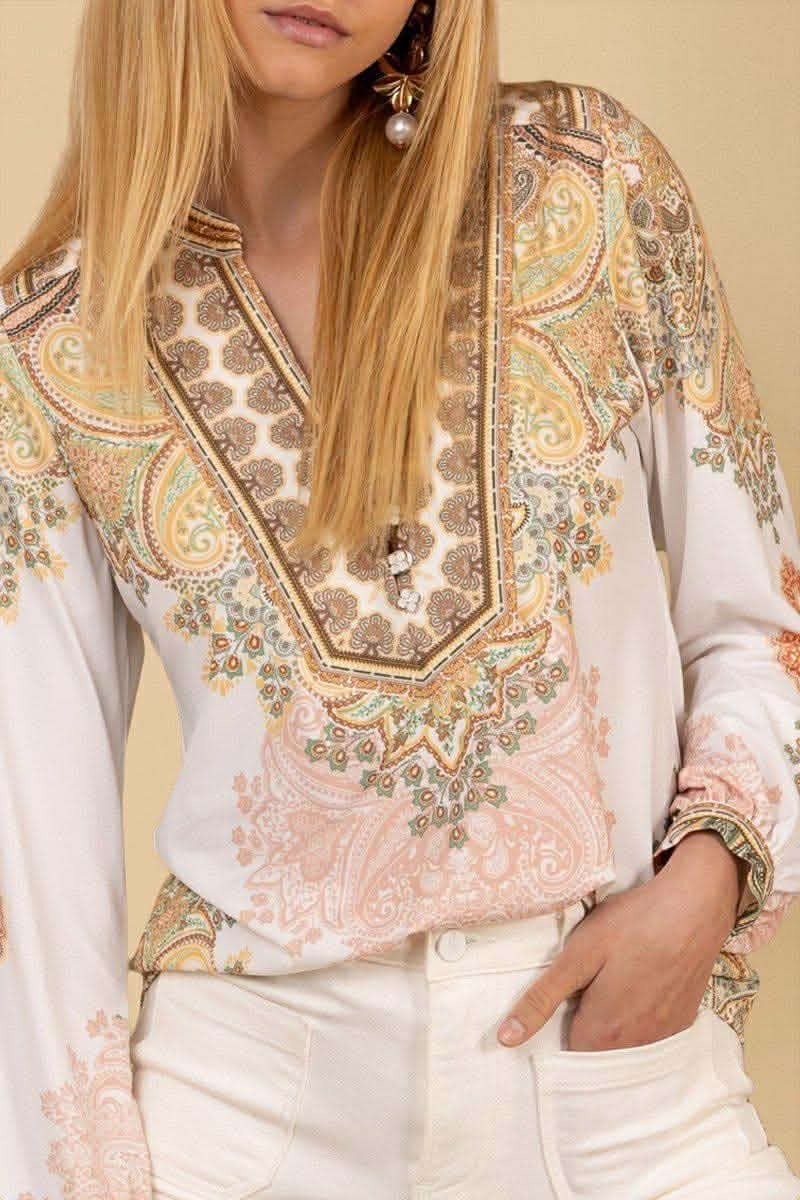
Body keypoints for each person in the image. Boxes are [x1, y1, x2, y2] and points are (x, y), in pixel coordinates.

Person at [1, 0, 799, 1197]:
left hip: (614, 1091)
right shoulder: (53, 349)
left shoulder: (583, 183)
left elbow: (761, 619)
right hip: (249, 1114)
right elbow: (32, 862)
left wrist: (707, 881)